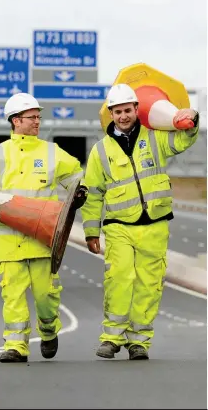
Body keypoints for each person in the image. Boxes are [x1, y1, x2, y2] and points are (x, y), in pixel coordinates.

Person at [0, 93, 88, 363]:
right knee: (13, 294)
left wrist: (80, 194)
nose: (37, 122)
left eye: (39, 117)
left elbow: (78, 180)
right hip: (7, 242)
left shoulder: (52, 153)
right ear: (16, 121)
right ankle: (16, 345)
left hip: (43, 239)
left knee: (45, 294)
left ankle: (48, 328)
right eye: (32, 117)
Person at [81, 83, 199, 360]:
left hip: (155, 224)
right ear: (111, 114)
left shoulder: (156, 138)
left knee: (149, 282)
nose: (123, 116)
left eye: (127, 110)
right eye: (117, 111)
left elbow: (183, 139)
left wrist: (191, 119)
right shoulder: (100, 151)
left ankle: (139, 342)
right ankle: (112, 337)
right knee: (119, 278)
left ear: (137, 109)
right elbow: (94, 194)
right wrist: (90, 232)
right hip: (119, 225)